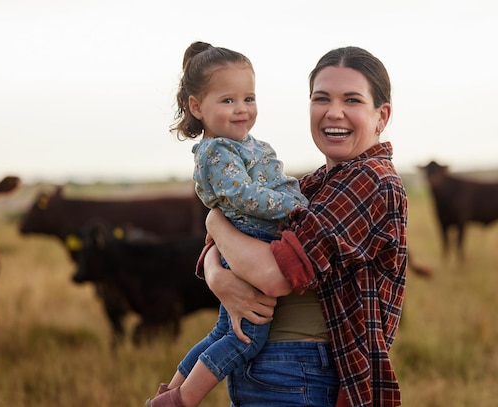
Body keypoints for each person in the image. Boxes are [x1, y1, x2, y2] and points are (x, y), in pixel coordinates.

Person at [198, 46, 408, 406]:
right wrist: (219, 277)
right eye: (321, 98)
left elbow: (273, 274)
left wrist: (214, 218)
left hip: (301, 374)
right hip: (263, 365)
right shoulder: (310, 185)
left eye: (352, 100)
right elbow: (230, 243)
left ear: (381, 116)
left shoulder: (371, 180)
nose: (333, 112)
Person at [146, 41, 308, 407]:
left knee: (223, 328)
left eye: (248, 99)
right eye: (228, 100)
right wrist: (294, 206)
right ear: (196, 106)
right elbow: (245, 196)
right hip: (251, 236)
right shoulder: (218, 150)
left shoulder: (243, 144)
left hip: (245, 236)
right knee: (246, 336)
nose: (242, 109)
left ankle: (169, 392)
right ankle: (183, 400)